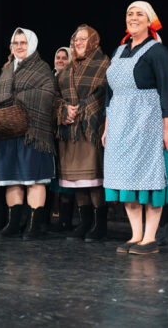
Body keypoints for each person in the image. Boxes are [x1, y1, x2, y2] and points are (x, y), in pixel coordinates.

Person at [103, 1, 168, 255]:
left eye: (139, 14)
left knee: (149, 178)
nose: (133, 18)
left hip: (147, 121)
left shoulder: (157, 51)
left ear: (149, 20)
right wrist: (107, 128)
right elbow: (109, 94)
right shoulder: (119, 50)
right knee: (125, 178)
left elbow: (167, 91)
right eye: (129, 14)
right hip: (119, 122)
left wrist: (166, 129)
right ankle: (135, 235)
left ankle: (150, 238)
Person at [0, 27, 57, 240]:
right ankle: (13, 224)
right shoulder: (7, 69)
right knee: (11, 179)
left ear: (32, 44)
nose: (19, 46)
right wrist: (5, 106)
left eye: (23, 42)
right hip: (8, 132)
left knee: (35, 179)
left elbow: (47, 94)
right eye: (16, 43)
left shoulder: (41, 68)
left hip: (33, 133)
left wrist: (18, 102)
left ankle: (33, 226)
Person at [57, 25, 110, 241]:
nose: (78, 43)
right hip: (70, 130)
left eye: (83, 39)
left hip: (91, 129)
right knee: (77, 181)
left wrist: (80, 109)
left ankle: (99, 224)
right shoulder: (66, 70)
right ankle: (85, 221)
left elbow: (105, 93)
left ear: (93, 41)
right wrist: (64, 110)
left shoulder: (104, 64)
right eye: (76, 39)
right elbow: (56, 96)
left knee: (93, 179)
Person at [47, 46, 76, 232]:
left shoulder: (72, 79)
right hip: (49, 135)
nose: (60, 60)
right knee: (49, 179)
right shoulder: (48, 78)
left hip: (67, 133)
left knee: (66, 180)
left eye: (64, 57)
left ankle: (66, 222)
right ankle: (45, 220)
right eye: (57, 57)